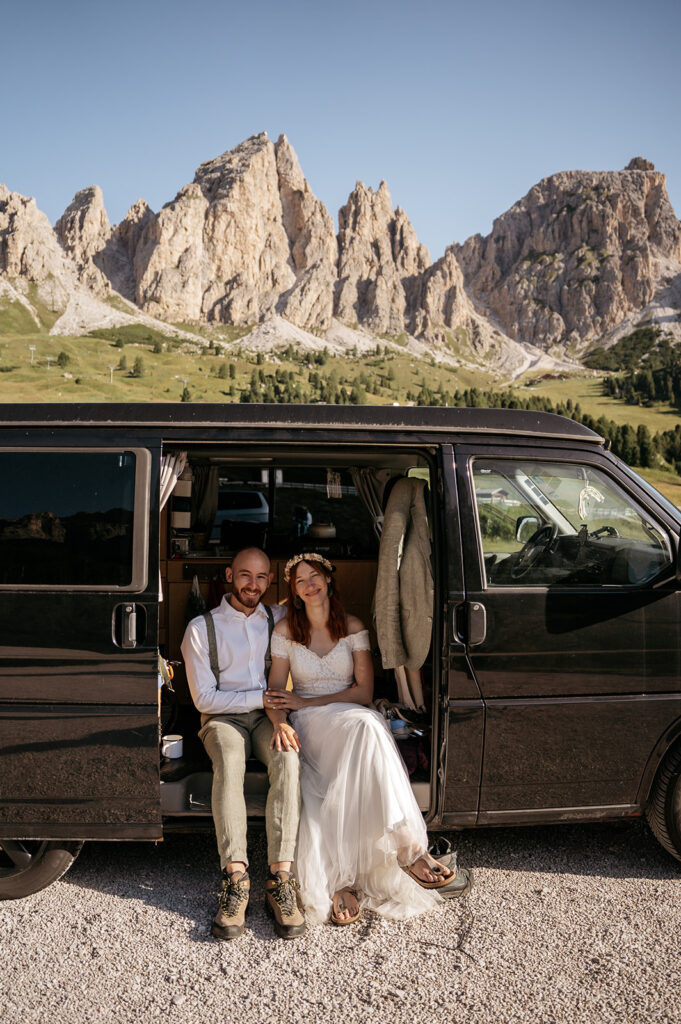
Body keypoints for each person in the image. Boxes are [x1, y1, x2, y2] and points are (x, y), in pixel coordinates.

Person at [264, 552, 469, 926]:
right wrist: (281, 722)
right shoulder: (285, 632)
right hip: (311, 722)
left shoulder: (353, 625)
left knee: (368, 725)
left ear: (328, 580)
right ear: (293, 592)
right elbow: (276, 694)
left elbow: (362, 693)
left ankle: (400, 855)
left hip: (349, 711)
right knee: (369, 728)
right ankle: (398, 853)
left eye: (315, 577)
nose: (309, 585)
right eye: (300, 581)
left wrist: (307, 698)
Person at [181, 547, 305, 941]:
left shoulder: (280, 617)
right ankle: (235, 879)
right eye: (246, 575)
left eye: (262, 577)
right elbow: (205, 699)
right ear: (230, 575)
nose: (253, 584)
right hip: (222, 719)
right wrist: (262, 699)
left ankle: (280, 879)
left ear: (271, 582)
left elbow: (320, 613)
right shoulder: (200, 629)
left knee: (287, 758)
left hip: (270, 719)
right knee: (231, 760)